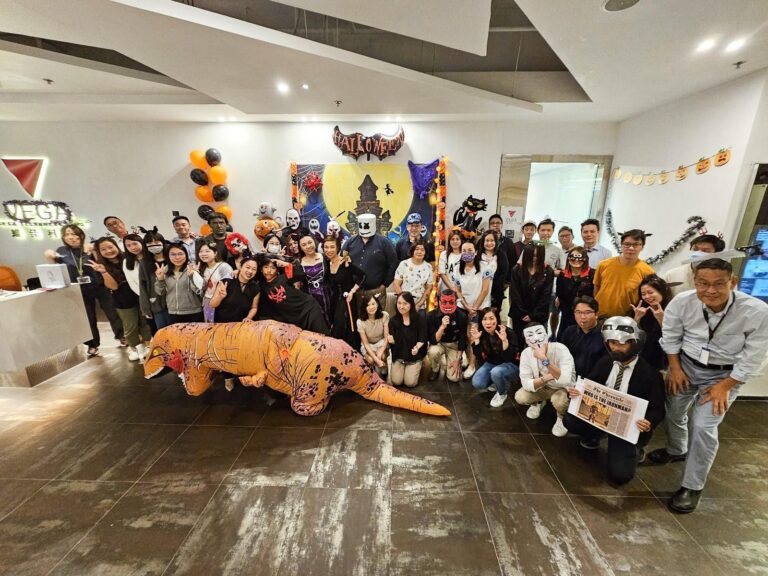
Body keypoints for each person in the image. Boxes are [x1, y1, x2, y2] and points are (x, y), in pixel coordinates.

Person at [651, 258, 768, 513]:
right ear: (695, 282)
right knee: (672, 411)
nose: (710, 290)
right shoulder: (682, 302)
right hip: (685, 365)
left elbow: (754, 356)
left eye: (719, 284)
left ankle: (692, 486)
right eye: (703, 283)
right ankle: (676, 449)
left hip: (725, 375)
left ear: (733, 282)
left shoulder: (756, 311)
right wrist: (675, 368)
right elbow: (671, 336)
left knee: (703, 426)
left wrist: (726, 386)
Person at [565, 316, 666, 486]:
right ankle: (594, 436)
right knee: (570, 420)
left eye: (621, 344)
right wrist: (577, 392)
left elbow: (658, 409)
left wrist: (648, 422)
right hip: (601, 416)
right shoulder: (606, 361)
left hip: (627, 427)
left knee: (620, 476)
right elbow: (590, 383)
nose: (615, 348)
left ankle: (636, 447)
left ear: (635, 343)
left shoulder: (651, 374)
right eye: (612, 343)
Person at [44, 224, 123, 357]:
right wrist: (49, 256)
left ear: (81, 235)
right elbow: (56, 266)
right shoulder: (61, 251)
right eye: (67, 234)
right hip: (79, 288)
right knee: (88, 317)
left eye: (74, 234)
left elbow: (102, 260)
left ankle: (122, 336)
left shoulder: (89, 247)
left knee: (112, 311)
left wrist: (93, 251)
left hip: (99, 285)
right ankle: (93, 344)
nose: (71, 237)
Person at [88, 237, 150, 362]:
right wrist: (104, 272)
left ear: (116, 246)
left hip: (140, 295)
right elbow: (113, 286)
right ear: (99, 252)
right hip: (122, 299)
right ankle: (134, 348)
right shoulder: (100, 266)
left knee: (145, 322)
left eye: (110, 247)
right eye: (103, 249)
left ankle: (148, 345)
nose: (108, 251)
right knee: (130, 325)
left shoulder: (128, 258)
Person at [515, 322, 574, 436]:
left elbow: (565, 379)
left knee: (560, 403)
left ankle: (561, 416)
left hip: (561, 388)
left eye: (539, 333)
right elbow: (526, 383)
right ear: (526, 340)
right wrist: (548, 377)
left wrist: (544, 359)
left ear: (546, 334)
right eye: (530, 335)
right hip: (542, 386)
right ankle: (538, 402)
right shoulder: (526, 353)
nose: (536, 338)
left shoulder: (561, 349)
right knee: (520, 397)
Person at [255, 253, 329, 334]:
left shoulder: (284, 277)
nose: (269, 271)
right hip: (292, 318)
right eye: (266, 267)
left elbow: (301, 273)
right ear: (261, 269)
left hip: (308, 308)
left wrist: (285, 264)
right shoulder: (262, 287)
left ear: (277, 270)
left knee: (321, 335)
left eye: (273, 268)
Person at [453, 240, 492, 379]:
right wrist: (465, 305)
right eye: (464, 250)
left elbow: (485, 290)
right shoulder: (457, 268)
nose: (467, 253)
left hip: (479, 307)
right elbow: (457, 290)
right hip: (463, 307)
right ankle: (467, 358)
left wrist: (474, 308)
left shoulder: (485, 267)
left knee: (473, 336)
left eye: (470, 250)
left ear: (475, 252)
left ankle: (472, 365)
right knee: (463, 335)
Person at [593, 229, 655, 318]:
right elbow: (597, 287)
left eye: (636, 244)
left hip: (627, 319)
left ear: (642, 247)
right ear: (621, 245)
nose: (631, 248)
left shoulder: (647, 271)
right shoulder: (603, 265)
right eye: (627, 244)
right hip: (599, 316)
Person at [343, 213, 398, 309]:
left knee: (378, 316)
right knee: (357, 317)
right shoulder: (350, 243)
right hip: (355, 292)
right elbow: (342, 262)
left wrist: (385, 284)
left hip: (376, 291)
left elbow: (393, 264)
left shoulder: (384, 243)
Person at [470, 307, 518, 407]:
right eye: (484, 319)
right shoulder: (481, 333)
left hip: (511, 364)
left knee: (496, 372)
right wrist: (477, 340)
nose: (488, 322)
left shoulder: (507, 332)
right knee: (478, 383)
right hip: (492, 363)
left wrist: (504, 341)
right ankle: (496, 380)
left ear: (497, 319)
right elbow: (480, 358)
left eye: (491, 318)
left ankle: (502, 393)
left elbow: (510, 358)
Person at [323, 235, 365, 348]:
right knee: (335, 327)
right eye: (326, 247)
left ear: (338, 248)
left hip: (347, 300)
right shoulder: (326, 263)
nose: (329, 250)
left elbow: (363, 276)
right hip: (333, 302)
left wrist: (352, 291)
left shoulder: (345, 262)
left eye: (332, 247)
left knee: (347, 328)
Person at [508, 243, 554, 347]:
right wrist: (523, 313)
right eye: (531, 255)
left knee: (538, 343)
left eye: (537, 256)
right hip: (519, 314)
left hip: (539, 314)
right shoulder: (517, 270)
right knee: (519, 342)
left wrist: (533, 315)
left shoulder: (548, 271)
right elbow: (515, 294)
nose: (534, 258)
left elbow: (546, 295)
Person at [154, 242, 204, 324]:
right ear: (168, 256)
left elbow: (199, 291)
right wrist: (160, 280)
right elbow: (160, 292)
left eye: (180, 254)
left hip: (194, 312)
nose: (177, 257)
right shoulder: (164, 271)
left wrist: (193, 276)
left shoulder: (192, 269)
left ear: (186, 255)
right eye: (173, 254)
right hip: (173, 313)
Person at [630, 275, 671, 371]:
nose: (647, 297)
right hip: (643, 357)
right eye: (643, 294)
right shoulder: (639, 310)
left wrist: (661, 319)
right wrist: (637, 318)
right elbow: (630, 338)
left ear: (661, 291)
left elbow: (674, 339)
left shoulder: (673, 309)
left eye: (650, 292)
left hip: (665, 359)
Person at [559, 296, 608, 378]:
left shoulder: (605, 335)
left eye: (587, 312)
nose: (582, 317)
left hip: (594, 381)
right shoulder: (569, 331)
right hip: (570, 378)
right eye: (578, 312)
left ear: (596, 314)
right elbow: (562, 357)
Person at [387, 291, 427, 387]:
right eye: (399, 303)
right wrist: (391, 341)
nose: (401, 306)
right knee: (396, 382)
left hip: (414, 356)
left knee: (410, 383)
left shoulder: (419, 319)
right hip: (399, 355)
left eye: (405, 303)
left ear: (411, 304)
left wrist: (417, 348)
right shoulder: (393, 321)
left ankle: (419, 364)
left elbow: (422, 338)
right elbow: (392, 342)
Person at [426, 289, 468, 382]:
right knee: (433, 351)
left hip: (453, 345)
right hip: (439, 343)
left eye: (451, 302)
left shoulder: (462, 316)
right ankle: (435, 368)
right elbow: (433, 341)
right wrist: (442, 327)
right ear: (439, 302)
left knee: (454, 378)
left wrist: (458, 358)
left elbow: (462, 339)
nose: (448, 305)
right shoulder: (431, 316)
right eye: (444, 302)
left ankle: (460, 361)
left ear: (456, 302)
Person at [555, 246, 595, 340]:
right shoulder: (562, 275)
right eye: (573, 257)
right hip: (567, 316)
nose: (576, 260)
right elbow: (560, 295)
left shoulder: (593, 274)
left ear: (585, 259)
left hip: (586, 316)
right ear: (568, 259)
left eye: (580, 257)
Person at [209, 257, 260, 323]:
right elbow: (212, 305)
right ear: (240, 267)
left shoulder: (255, 287)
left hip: (241, 325)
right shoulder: (225, 282)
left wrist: (248, 317)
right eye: (247, 267)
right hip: (222, 324)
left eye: (254, 269)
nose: (250, 271)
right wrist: (220, 296)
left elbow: (254, 307)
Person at [140, 228, 170, 332]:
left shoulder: (173, 258)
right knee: (162, 332)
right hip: (156, 303)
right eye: (150, 244)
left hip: (174, 302)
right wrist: (145, 308)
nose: (154, 246)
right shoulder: (144, 263)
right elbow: (142, 286)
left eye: (157, 243)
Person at [298, 233, 332, 323]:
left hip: (329, 297)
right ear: (300, 248)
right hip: (310, 300)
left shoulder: (325, 257)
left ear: (314, 242)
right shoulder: (298, 263)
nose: (308, 246)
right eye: (304, 245)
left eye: (310, 242)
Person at [197, 241, 233, 323]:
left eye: (207, 251)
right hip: (207, 300)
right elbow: (201, 287)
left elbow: (230, 285)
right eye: (201, 251)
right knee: (209, 325)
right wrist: (195, 275)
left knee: (221, 325)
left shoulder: (224, 267)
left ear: (215, 253)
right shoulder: (202, 268)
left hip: (221, 301)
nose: (203, 254)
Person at [394, 241, 433, 312]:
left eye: (422, 250)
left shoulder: (428, 267)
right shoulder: (404, 264)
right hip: (403, 304)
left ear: (425, 252)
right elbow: (396, 284)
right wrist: (404, 301)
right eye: (417, 249)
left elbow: (429, 288)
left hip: (419, 306)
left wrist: (419, 305)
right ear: (412, 251)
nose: (419, 252)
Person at [357, 294, 390, 377]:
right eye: (368, 305)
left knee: (382, 356)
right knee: (371, 360)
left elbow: (386, 337)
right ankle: (372, 369)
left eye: (373, 304)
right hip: (369, 344)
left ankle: (384, 368)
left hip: (381, 341)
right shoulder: (360, 322)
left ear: (377, 304)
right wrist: (376, 359)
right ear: (364, 307)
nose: (371, 307)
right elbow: (366, 344)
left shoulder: (384, 315)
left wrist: (380, 352)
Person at [478, 229, 509, 311]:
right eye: (487, 240)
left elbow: (503, 275)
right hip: (478, 292)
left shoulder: (501, 255)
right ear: (483, 242)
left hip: (495, 294)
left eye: (492, 240)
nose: (489, 243)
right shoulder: (477, 255)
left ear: (496, 242)